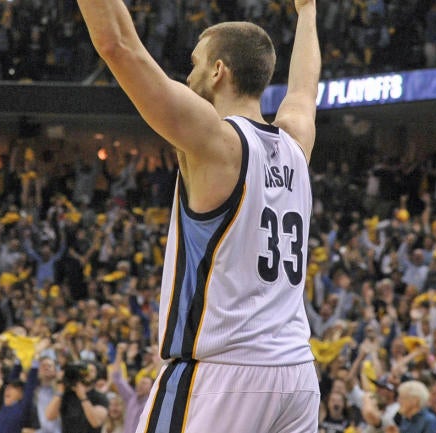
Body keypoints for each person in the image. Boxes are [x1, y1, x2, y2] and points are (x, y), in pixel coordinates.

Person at [76, 0, 321, 431]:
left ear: (218, 71)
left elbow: (117, 45)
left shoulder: (216, 142)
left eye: (194, 63)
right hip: (297, 375)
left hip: (225, 377)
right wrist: (308, 12)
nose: (188, 75)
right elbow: (304, 88)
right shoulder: (296, 142)